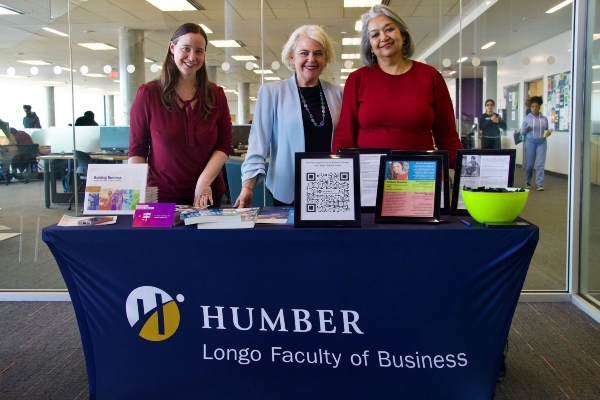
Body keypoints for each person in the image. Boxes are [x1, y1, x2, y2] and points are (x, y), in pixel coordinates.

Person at [331, 4, 462, 169]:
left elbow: (447, 135)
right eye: (375, 34)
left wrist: (464, 175)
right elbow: (345, 137)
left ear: (403, 35)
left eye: (389, 29)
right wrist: (340, 174)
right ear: (369, 45)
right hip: (370, 176)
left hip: (420, 176)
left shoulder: (430, 76)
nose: (383, 37)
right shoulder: (357, 79)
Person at [235, 25, 343, 207]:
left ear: (326, 59)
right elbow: (257, 146)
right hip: (288, 191)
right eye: (304, 53)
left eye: (318, 53)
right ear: (292, 58)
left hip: (330, 189)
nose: (311, 59)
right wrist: (248, 187)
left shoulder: (338, 93)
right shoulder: (272, 93)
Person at [129, 23, 232, 206]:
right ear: (172, 47)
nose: (192, 57)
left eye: (199, 51)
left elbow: (223, 146)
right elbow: (137, 150)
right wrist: (138, 190)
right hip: (161, 195)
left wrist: (204, 182)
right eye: (186, 49)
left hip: (207, 193)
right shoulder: (149, 94)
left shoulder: (216, 95)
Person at [521, 96, 552, 191]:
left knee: (540, 164)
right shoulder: (526, 118)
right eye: (533, 106)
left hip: (542, 142)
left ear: (539, 107)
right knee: (530, 164)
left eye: (536, 106)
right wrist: (525, 130)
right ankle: (528, 180)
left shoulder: (544, 119)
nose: (534, 108)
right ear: (531, 107)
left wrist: (548, 133)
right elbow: (522, 132)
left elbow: (546, 131)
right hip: (530, 142)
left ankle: (539, 184)